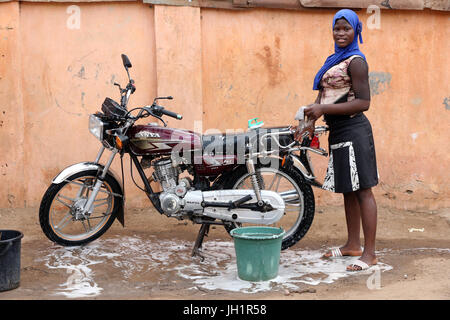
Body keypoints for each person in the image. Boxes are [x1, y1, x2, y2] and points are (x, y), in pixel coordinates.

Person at [296, 9, 378, 271]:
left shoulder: (356, 61)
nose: (341, 33)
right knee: (348, 189)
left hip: (355, 130)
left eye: (346, 29)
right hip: (339, 132)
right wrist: (308, 121)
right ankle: (353, 245)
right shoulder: (334, 59)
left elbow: (364, 102)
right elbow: (326, 96)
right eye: (337, 29)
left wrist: (323, 111)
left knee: (363, 190)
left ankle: (370, 253)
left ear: (356, 31)